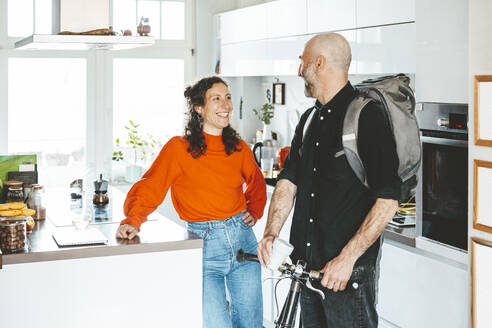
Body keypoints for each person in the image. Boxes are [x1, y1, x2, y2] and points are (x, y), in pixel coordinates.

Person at [257, 33, 401, 328]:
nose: (299, 71)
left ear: (319, 63)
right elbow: (288, 181)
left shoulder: (367, 117)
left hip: (346, 276)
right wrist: (271, 234)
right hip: (307, 271)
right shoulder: (309, 119)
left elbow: (388, 200)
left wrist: (347, 259)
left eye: (303, 63)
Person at [117, 76, 266, 328]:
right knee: (216, 324)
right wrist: (133, 220)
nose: (225, 104)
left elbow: (257, 183)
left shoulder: (239, 148)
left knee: (251, 324)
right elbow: (151, 185)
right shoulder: (179, 148)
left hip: (243, 240)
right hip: (205, 247)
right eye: (216, 99)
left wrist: (254, 209)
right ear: (199, 107)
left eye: (228, 97)